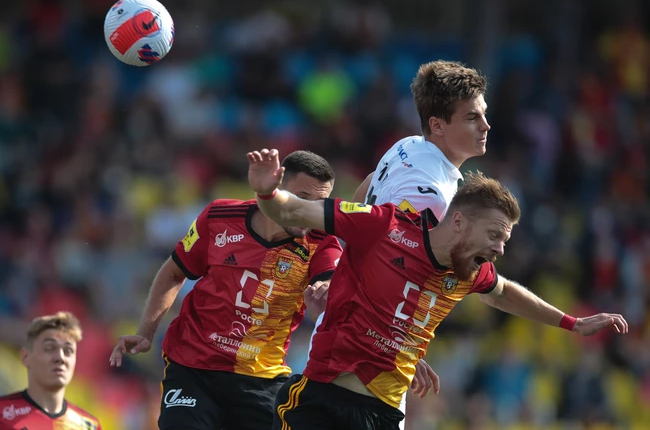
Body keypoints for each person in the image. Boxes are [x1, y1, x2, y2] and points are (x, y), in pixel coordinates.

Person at [246, 148, 629, 430]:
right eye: (494, 235)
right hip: (322, 401)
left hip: (383, 414)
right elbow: (298, 212)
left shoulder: (469, 271)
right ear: (458, 221)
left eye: (505, 240)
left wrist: (571, 323)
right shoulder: (385, 226)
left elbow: (504, 293)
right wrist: (267, 194)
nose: (499, 249)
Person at [109, 150, 342, 430]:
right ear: (278, 189)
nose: (308, 212)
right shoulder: (220, 217)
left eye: (319, 204)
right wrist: (146, 332)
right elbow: (173, 272)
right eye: (302, 199)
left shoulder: (322, 243)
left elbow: (331, 289)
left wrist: (325, 296)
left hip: (261, 378)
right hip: (193, 368)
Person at [309, 59, 491, 416]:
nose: (485, 125)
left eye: (483, 114)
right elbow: (391, 265)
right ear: (437, 125)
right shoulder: (432, 198)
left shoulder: (406, 146)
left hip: (358, 337)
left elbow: (359, 202)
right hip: (361, 354)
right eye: (472, 117)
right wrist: (394, 340)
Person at [0, 312, 102, 430]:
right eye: (49, 348)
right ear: (26, 357)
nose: (60, 357)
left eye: (68, 351)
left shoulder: (90, 425)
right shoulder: (3, 414)